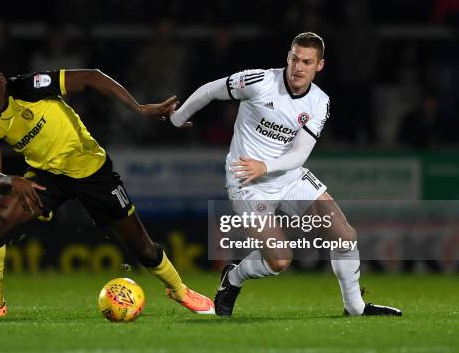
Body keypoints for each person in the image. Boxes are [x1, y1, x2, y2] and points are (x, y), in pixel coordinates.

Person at [169, 32, 402, 317]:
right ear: (287, 58)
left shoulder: (319, 102)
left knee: (344, 236)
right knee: (279, 261)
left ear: (320, 66)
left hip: (287, 175)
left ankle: (355, 307)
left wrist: (266, 166)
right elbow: (210, 90)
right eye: (294, 59)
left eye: (306, 61)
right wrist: (178, 118)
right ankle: (233, 277)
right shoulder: (259, 82)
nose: (298, 67)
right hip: (246, 181)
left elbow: (300, 154)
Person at [0, 63, 214, 317]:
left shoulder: (29, 86)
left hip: (92, 172)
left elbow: (92, 76)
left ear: (2, 80)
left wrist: (137, 108)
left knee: (142, 249)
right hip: (47, 178)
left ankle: (180, 291)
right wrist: (12, 181)